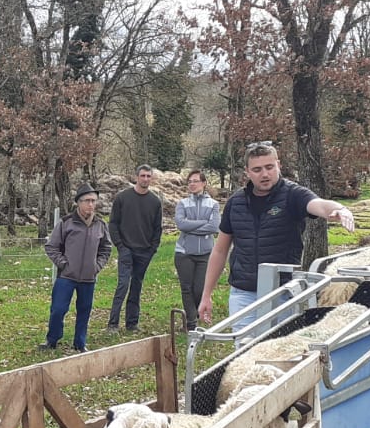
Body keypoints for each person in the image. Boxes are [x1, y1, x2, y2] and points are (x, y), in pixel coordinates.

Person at [197, 142, 356, 330]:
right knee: (243, 345)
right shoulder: (235, 202)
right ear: (247, 172)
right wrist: (206, 294)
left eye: (269, 167)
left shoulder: (293, 195)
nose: (264, 174)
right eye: (257, 169)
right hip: (243, 293)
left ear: (278, 165)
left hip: (282, 292)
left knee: (277, 345)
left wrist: (340, 209)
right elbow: (220, 250)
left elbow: (318, 204)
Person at [40, 186, 111, 353]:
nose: (91, 204)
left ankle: (80, 343)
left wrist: (96, 266)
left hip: (88, 277)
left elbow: (106, 248)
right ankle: (52, 340)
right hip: (66, 276)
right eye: (87, 201)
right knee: (58, 310)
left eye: (93, 201)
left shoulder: (100, 225)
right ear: (78, 203)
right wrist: (63, 264)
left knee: (84, 311)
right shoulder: (66, 223)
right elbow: (51, 246)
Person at [107, 164, 163, 332]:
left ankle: (132, 323)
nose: (145, 179)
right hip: (126, 249)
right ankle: (113, 323)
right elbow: (113, 223)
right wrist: (120, 246)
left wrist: (152, 248)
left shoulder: (155, 202)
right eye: (143, 176)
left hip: (144, 251)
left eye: (148, 176)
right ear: (136, 177)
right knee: (123, 285)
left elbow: (157, 228)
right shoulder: (122, 198)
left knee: (136, 287)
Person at [174, 169, 221, 331]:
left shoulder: (213, 204)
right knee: (186, 288)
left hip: (205, 254)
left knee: (200, 289)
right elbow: (181, 224)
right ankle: (191, 323)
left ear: (204, 183)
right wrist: (203, 223)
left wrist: (191, 227)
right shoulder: (182, 203)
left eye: (195, 181)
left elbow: (214, 227)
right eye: (190, 182)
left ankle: (195, 315)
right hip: (184, 253)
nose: (192, 184)